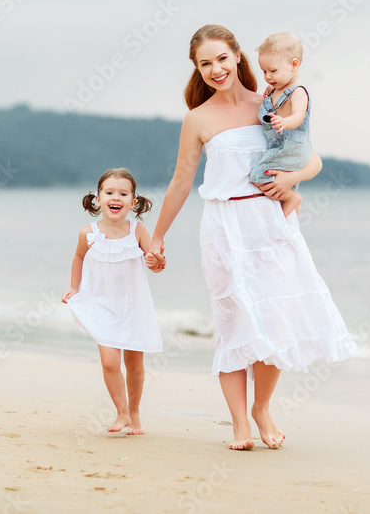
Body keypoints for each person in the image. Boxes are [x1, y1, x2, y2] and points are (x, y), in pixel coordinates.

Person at [148, 24, 358, 451]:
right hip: (224, 227)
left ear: (238, 57)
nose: (215, 69)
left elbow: (311, 157)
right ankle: (240, 426)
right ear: (197, 69)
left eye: (222, 59)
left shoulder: (269, 103)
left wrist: (293, 182)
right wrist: (157, 238)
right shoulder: (198, 118)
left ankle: (262, 408)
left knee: (274, 321)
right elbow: (181, 182)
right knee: (233, 323)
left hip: (271, 223)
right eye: (205, 63)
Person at [61, 168, 164, 436]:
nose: (115, 197)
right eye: (109, 192)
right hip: (102, 306)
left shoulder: (138, 230)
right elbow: (78, 258)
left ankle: (135, 414)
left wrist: (158, 262)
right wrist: (75, 287)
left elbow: (154, 261)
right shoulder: (89, 233)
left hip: (133, 308)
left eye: (122, 193)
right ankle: (122, 412)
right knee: (109, 362)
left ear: (133, 201)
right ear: (98, 198)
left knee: (134, 366)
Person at [250, 32, 311, 217]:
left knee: (258, 176)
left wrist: (284, 121)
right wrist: (272, 90)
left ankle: (291, 198)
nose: (268, 76)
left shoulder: (298, 91)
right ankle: (293, 217)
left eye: (273, 71)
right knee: (288, 182)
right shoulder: (277, 89)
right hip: (283, 148)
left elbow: (299, 116)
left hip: (289, 147)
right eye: (264, 72)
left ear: (294, 65)